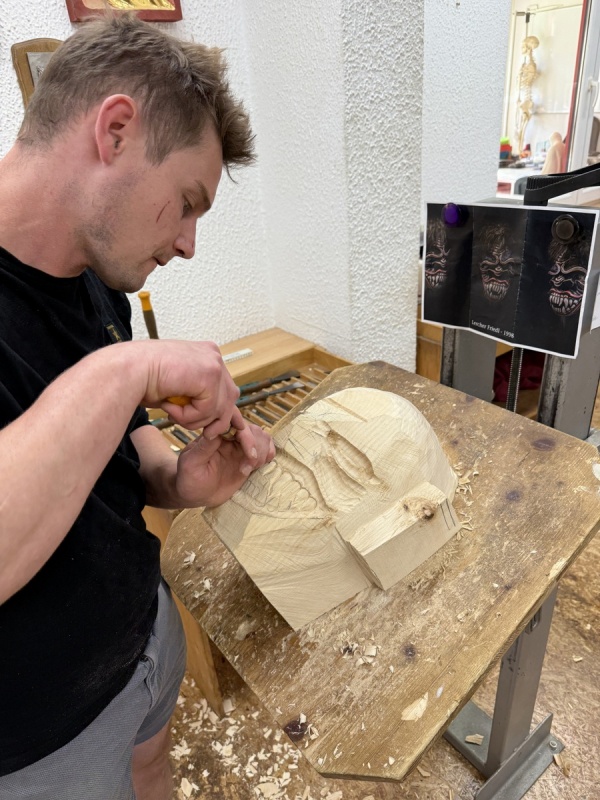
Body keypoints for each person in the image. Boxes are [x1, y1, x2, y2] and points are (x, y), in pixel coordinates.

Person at [0, 13, 275, 800]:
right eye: (186, 202)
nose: (188, 243)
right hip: (44, 735)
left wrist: (178, 478)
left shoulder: (93, 277)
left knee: (151, 770)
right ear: (115, 130)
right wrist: (130, 368)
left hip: (142, 642)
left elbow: (124, 447)